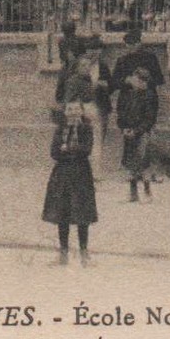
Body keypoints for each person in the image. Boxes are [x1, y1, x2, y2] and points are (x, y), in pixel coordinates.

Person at [43, 96, 99, 266]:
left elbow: (86, 150)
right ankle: (63, 254)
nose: (73, 112)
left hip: (81, 174)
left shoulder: (86, 129)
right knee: (62, 214)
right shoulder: (60, 130)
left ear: (82, 111)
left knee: (82, 215)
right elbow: (54, 152)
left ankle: (84, 254)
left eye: (76, 109)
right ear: (65, 112)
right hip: (62, 175)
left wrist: (67, 149)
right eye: (69, 109)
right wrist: (70, 151)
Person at [116, 66, 159, 202]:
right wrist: (123, 128)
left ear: (144, 82)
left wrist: (137, 131)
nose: (134, 82)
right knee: (130, 163)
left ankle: (147, 193)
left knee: (143, 163)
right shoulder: (128, 95)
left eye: (138, 80)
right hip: (129, 133)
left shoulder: (150, 96)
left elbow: (149, 119)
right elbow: (121, 113)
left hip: (142, 134)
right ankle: (133, 193)